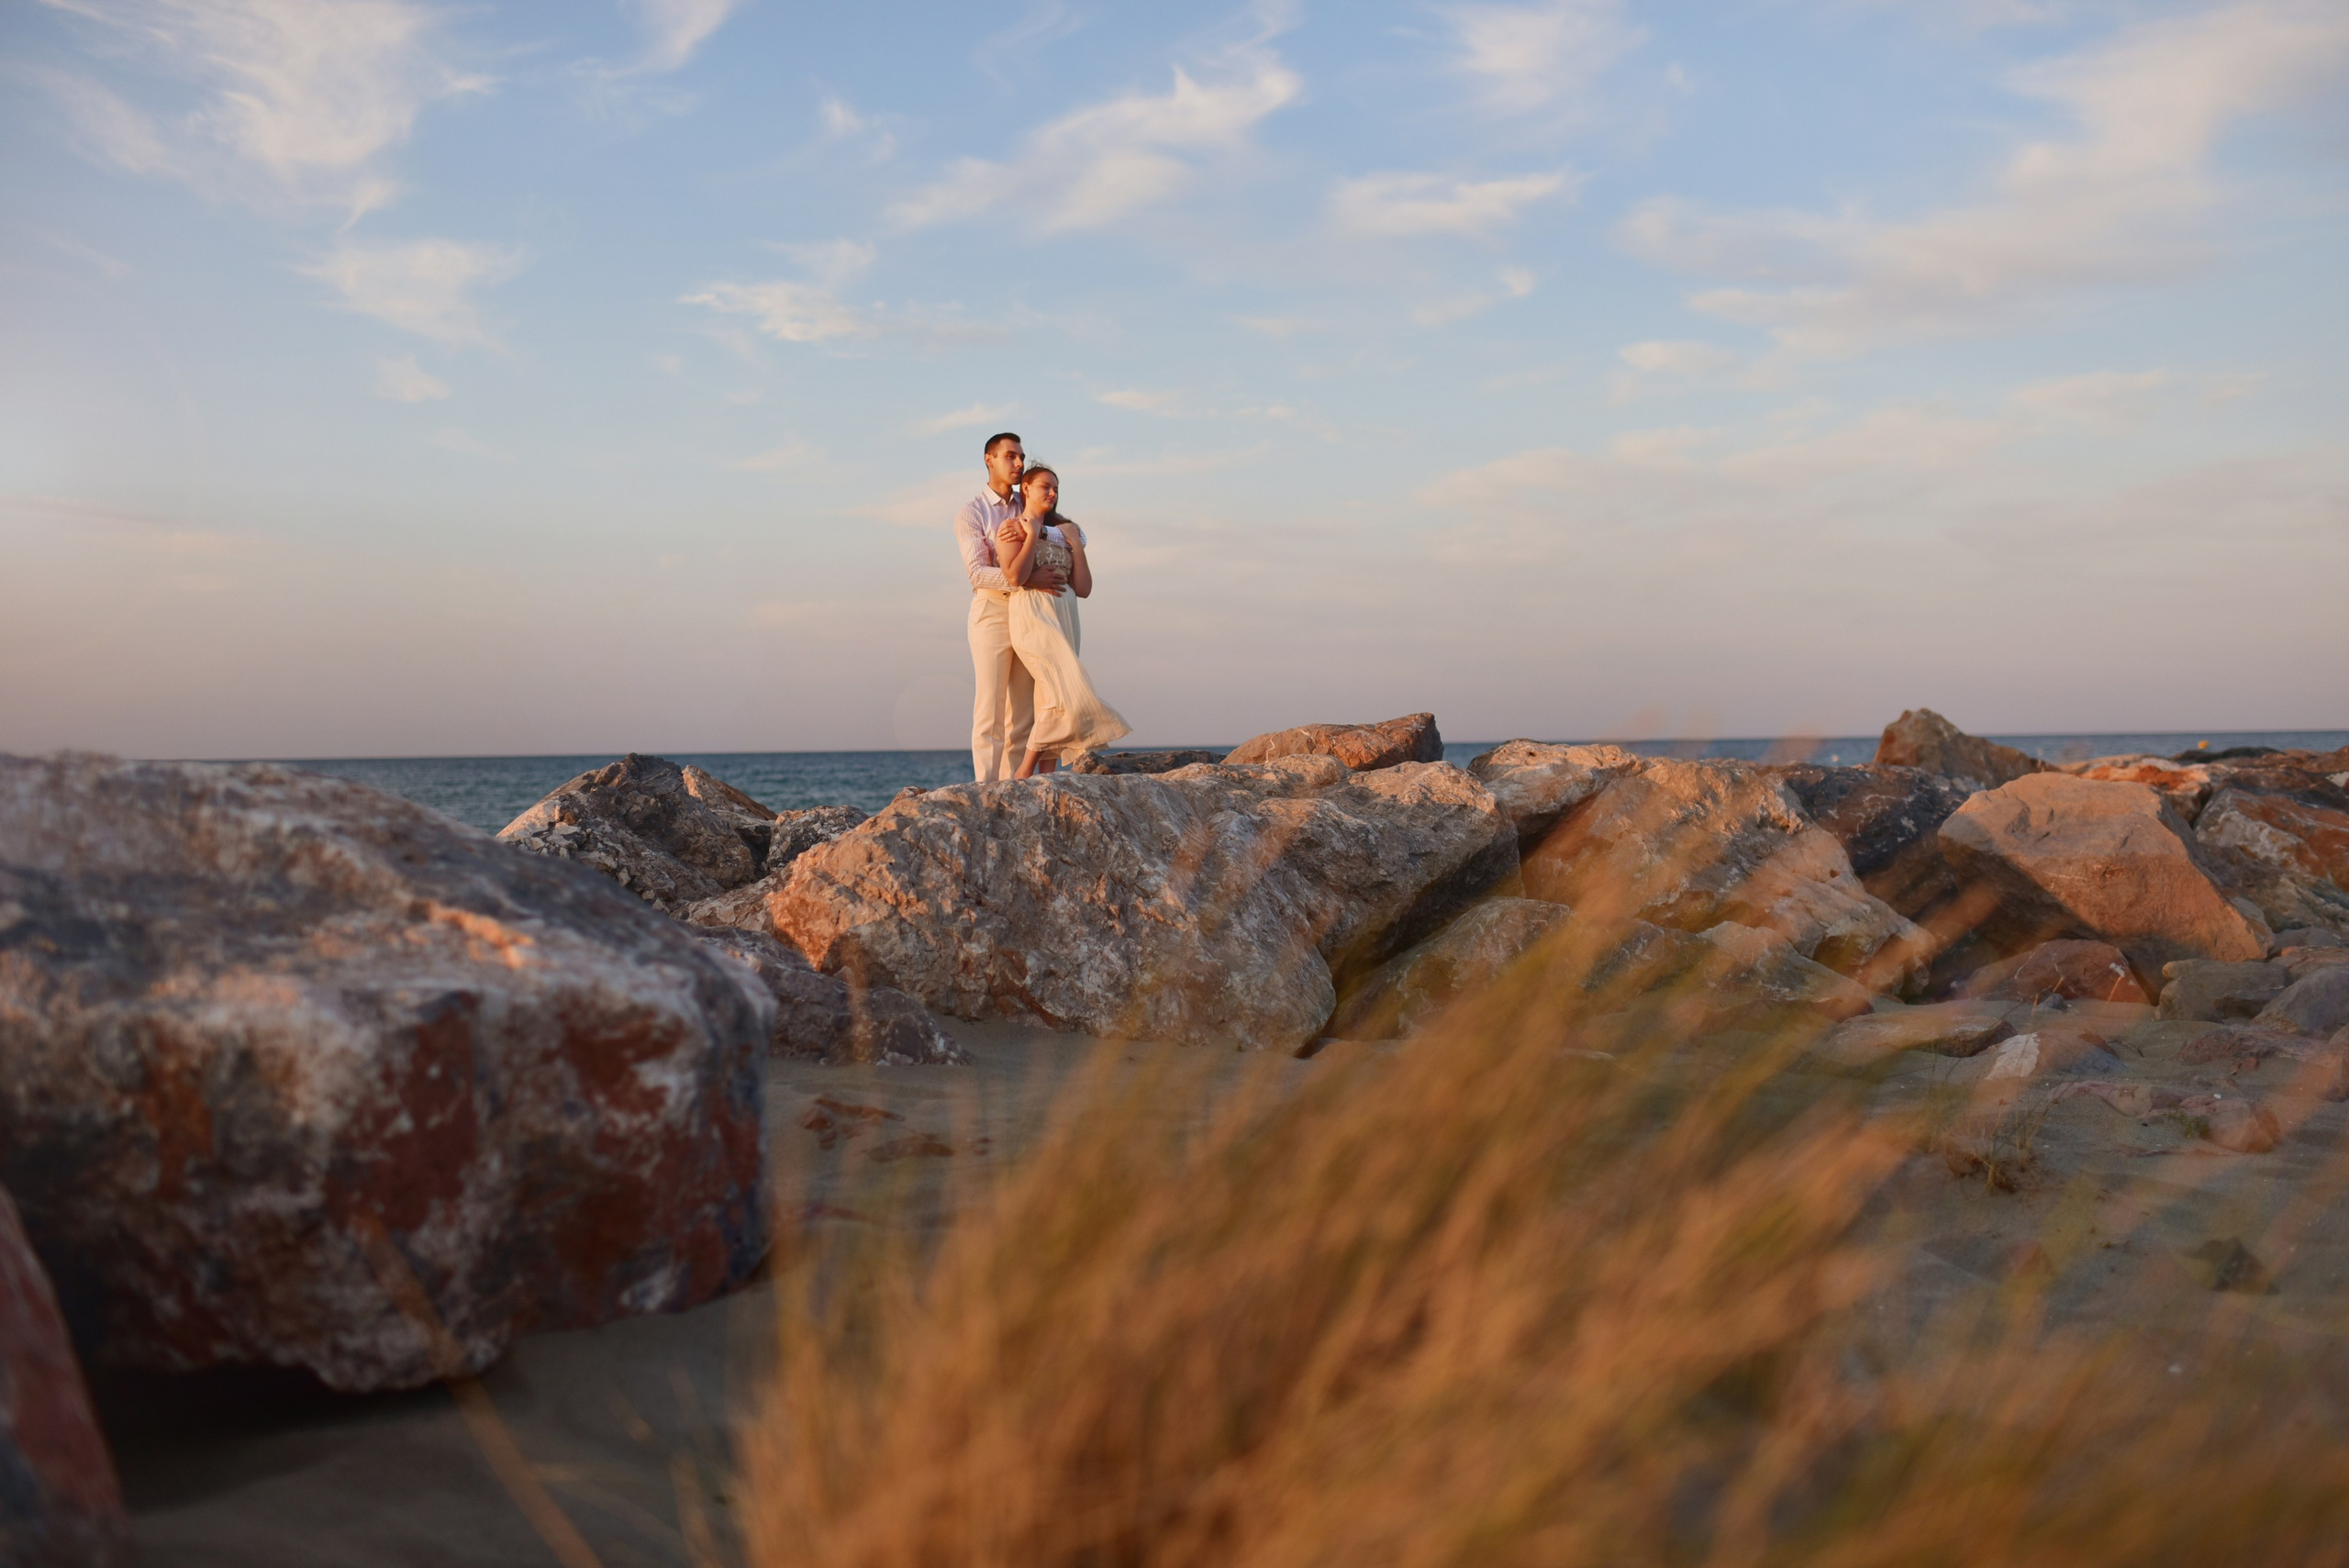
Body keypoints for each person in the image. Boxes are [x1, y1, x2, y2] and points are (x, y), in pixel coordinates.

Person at [993, 462, 1130, 775]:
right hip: (1033, 616)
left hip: (1066, 617)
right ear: (1026, 488)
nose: (1053, 493)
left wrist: (1076, 547)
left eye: (1056, 488)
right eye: (1045, 486)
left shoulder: (1065, 530)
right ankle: (1023, 773)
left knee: (1049, 696)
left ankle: (1047, 776)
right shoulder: (1011, 527)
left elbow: (1083, 588)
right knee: (1061, 690)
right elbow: (1015, 576)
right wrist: (1030, 535)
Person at [955, 432, 1065, 781]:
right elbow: (977, 573)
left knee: (1022, 712)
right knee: (990, 707)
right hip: (990, 612)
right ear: (989, 460)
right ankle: (984, 791)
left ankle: (1014, 790)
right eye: (1010, 456)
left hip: (1027, 613)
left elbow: (1077, 535)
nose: (1019, 463)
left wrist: (1040, 533)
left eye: (1021, 457)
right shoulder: (971, 513)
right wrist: (1027, 578)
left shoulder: (1028, 502)